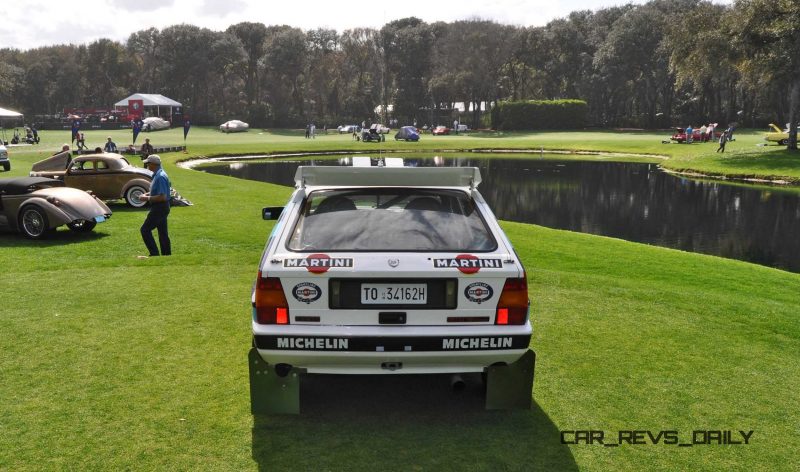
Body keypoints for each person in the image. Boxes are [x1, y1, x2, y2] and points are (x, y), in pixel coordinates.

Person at [138, 155, 171, 257]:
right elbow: (157, 191)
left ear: (153, 164)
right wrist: (147, 194)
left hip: (160, 207)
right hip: (162, 207)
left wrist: (146, 198)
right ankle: (166, 255)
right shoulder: (158, 174)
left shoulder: (160, 176)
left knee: (145, 230)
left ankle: (154, 254)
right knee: (162, 233)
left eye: (148, 163)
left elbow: (163, 197)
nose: (146, 165)